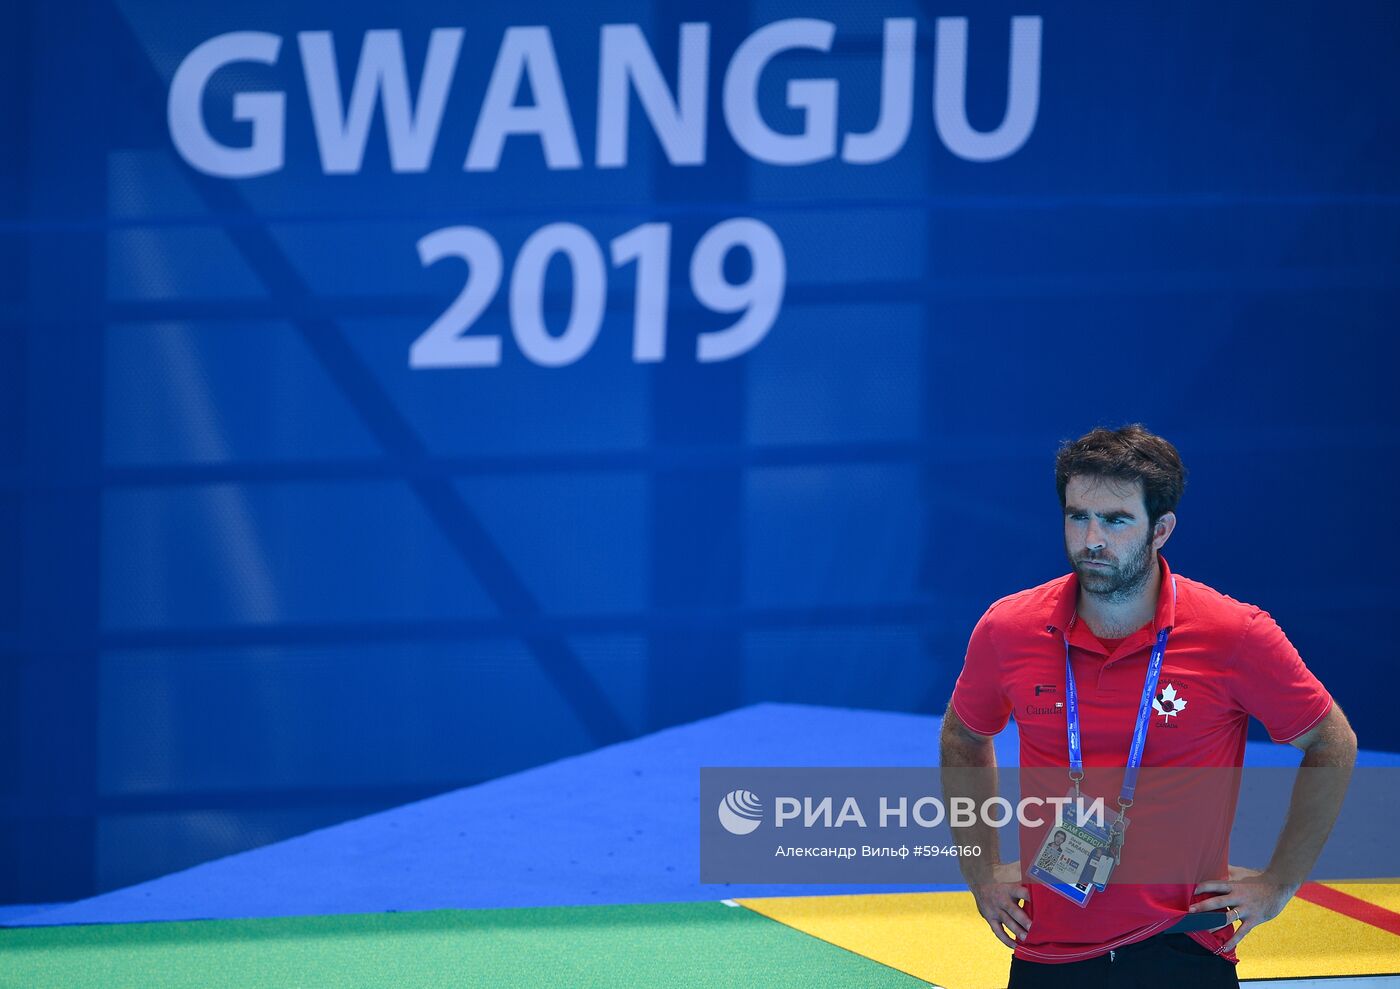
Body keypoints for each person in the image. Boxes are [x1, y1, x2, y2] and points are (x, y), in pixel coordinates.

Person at [939, 424, 1357, 988]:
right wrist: (981, 870)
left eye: (1115, 520)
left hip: (1184, 946)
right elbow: (964, 735)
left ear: (1161, 529)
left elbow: (1331, 741)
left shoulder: (1235, 634)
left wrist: (1280, 882)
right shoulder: (1008, 629)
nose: (1091, 538)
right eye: (1077, 516)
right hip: (1047, 948)